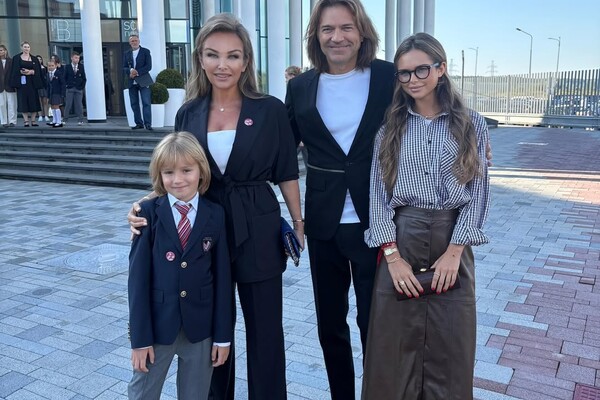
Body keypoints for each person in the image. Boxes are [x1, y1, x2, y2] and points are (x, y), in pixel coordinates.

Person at [128, 13, 304, 400]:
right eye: (213, 55)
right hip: (203, 233)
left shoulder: (270, 109)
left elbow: (287, 172)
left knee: (265, 334)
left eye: (233, 56)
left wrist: (297, 221)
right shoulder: (188, 112)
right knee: (210, 334)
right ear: (200, 59)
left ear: (246, 61)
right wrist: (145, 204)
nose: (222, 65)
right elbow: (177, 170)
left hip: (258, 226)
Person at [362, 32, 490, 400]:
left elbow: (479, 193)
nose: (412, 79)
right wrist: (392, 257)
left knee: (452, 348)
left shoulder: (472, 124)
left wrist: (455, 252)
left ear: (441, 68)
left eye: (421, 69)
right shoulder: (390, 130)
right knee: (391, 351)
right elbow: (377, 197)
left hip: (453, 239)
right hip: (402, 238)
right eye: (404, 73)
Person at [285, 1, 393, 398]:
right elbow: (279, 150)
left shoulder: (387, 77)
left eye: (346, 27)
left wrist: (472, 141)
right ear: (316, 36)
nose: (337, 37)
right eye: (327, 29)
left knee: (375, 324)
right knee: (330, 325)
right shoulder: (300, 87)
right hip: (323, 223)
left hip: (377, 221)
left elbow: (431, 112)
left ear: (362, 32)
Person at [128, 131, 232, 400]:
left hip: (200, 330)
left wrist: (222, 336)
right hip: (157, 329)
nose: (177, 180)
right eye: (168, 172)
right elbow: (137, 282)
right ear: (159, 175)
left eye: (187, 170)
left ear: (201, 171)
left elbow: (223, 280)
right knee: (142, 393)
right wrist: (139, 339)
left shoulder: (215, 214)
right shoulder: (147, 214)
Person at [9, 41, 43, 127]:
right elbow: (14, 71)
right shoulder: (16, 58)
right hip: (22, 83)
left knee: (34, 100)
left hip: (32, 83)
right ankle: (26, 121)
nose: (26, 48)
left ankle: (33, 120)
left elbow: (38, 71)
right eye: (25, 47)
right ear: (21, 48)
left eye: (28, 47)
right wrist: (21, 72)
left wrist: (31, 72)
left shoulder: (34, 59)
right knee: (23, 101)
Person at [123, 34, 153, 130]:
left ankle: (148, 124)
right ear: (129, 43)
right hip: (131, 81)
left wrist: (137, 72)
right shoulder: (127, 53)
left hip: (143, 80)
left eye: (135, 40)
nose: (134, 42)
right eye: (132, 41)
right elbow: (124, 67)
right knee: (134, 104)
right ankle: (139, 123)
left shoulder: (146, 51)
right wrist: (130, 71)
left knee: (146, 103)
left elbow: (148, 66)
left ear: (139, 41)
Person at [63, 52, 86, 125]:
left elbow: (84, 78)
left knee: (79, 104)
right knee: (68, 104)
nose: (77, 59)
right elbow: (64, 77)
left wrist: (81, 87)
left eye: (78, 58)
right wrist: (66, 85)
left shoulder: (81, 67)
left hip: (78, 88)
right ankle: (65, 119)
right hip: (70, 88)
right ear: (72, 58)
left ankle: (80, 119)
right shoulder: (67, 67)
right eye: (76, 58)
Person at [0, 44, 17, 128]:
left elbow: (14, 73)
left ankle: (12, 121)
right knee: (2, 104)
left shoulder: (11, 61)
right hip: (0, 86)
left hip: (10, 86)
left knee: (11, 104)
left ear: (5, 51)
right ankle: (4, 121)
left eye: (1, 50)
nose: (0, 52)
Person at [46, 59, 65, 128]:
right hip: (51, 92)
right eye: (49, 66)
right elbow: (48, 85)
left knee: (56, 106)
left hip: (57, 92)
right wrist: (47, 95)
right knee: (52, 106)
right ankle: (54, 120)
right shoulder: (48, 74)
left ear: (56, 65)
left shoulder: (58, 73)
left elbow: (63, 84)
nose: (50, 67)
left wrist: (62, 93)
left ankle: (59, 121)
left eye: (52, 65)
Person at [36, 55, 50, 123]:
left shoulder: (45, 68)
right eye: (38, 59)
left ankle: (46, 115)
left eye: (40, 59)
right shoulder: (34, 68)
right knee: (39, 102)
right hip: (37, 86)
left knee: (45, 102)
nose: (39, 60)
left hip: (44, 86)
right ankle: (40, 115)